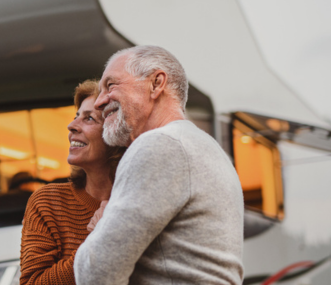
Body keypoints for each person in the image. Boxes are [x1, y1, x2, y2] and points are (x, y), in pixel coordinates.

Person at [74, 45, 244, 285]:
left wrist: (102, 226)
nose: (100, 102)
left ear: (156, 84)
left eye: (110, 86)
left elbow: (97, 273)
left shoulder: (159, 145)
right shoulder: (205, 147)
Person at [19, 80, 126, 285]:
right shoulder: (47, 202)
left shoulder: (143, 206)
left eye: (89, 119)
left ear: (117, 137)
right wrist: (97, 241)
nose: (71, 126)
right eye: (76, 116)